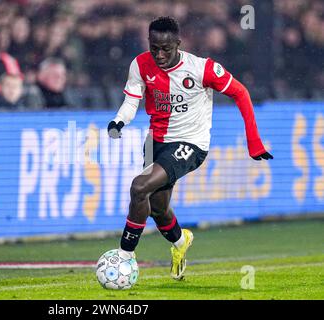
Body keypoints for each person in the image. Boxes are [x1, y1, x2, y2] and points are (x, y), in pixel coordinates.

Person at [107, 17, 273, 280]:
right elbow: (131, 101)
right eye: (154, 48)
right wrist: (118, 121)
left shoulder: (201, 69)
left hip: (190, 143)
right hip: (155, 141)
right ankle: (180, 242)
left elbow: (241, 93)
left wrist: (254, 142)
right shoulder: (140, 64)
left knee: (139, 187)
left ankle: (124, 257)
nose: (159, 55)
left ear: (178, 44)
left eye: (166, 49)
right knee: (158, 208)